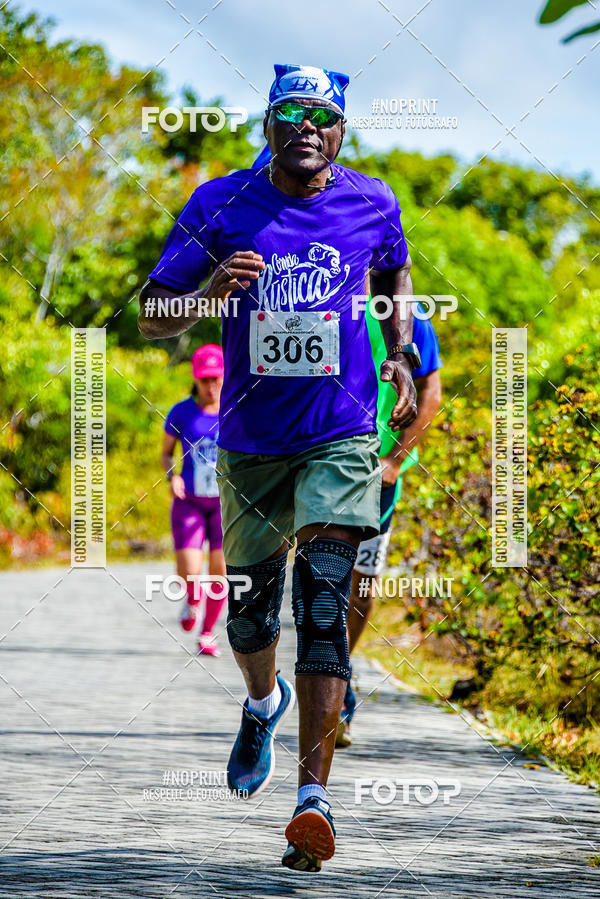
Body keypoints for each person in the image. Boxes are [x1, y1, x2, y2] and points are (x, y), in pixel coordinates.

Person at [139, 62, 420, 873]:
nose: (307, 126)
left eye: (324, 116)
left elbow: (395, 271)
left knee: (325, 606)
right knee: (254, 618)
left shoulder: (373, 201)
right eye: (291, 113)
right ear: (267, 123)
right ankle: (263, 701)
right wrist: (208, 291)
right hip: (251, 442)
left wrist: (399, 351)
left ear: (342, 130)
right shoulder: (219, 204)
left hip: (340, 432)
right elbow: (154, 311)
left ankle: (312, 800)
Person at [336, 298, 443, 747]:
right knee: (323, 577)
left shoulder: (410, 315)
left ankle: (339, 675)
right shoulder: (327, 294)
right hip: (324, 461)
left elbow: (432, 392)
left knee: (361, 583)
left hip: (378, 474)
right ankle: (330, 683)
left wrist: (396, 459)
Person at [162, 344, 227, 656]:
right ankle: (191, 597)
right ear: (196, 379)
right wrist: (171, 475)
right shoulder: (182, 412)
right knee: (189, 568)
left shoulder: (234, 408)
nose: (211, 385)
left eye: (216, 378)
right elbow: (165, 453)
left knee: (220, 572)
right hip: (189, 501)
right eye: (205, 379)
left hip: (224, 504)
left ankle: (208, 632)